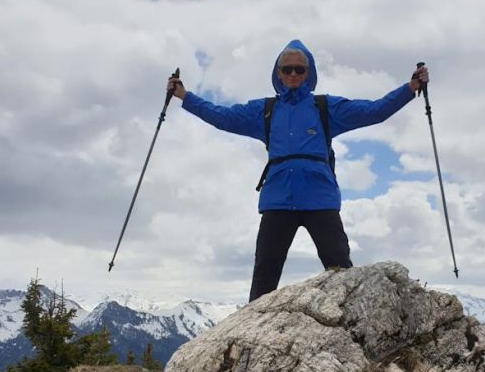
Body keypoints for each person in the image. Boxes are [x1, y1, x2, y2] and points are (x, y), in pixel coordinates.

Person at [168, 40, 429, 302]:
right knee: (265, 274)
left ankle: (354, 327)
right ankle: (254, 333)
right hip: (281, 198)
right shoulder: (265, 111)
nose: (293, 74)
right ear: (278, 74)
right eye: (287, 69)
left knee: (340, 268)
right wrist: (185, 96)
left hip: (318, 198)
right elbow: (222, 116)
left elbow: (375, 111)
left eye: (299, 70)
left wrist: (410, 88)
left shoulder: (326, 108)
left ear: (309, 74)